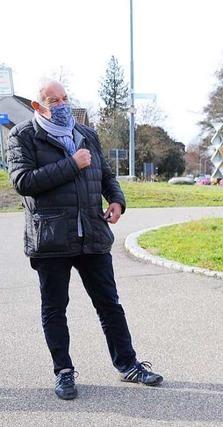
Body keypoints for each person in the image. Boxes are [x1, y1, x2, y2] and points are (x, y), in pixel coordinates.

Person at [7, 80, 163, 400]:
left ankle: (128, 364)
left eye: (65, 98)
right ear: (39, 106)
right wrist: (71, 164)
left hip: (91, 234)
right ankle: (64, 372)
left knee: (109, 303)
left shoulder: (86, 134)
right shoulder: (22, 136)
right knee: (55, 308)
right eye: (54, 100)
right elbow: (23, 182)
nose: (62, 104)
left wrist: (116, 200)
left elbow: (106, 174)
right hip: (51, 238)